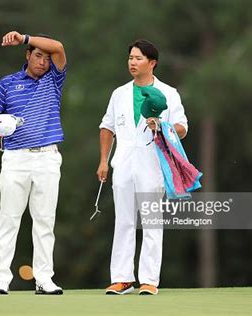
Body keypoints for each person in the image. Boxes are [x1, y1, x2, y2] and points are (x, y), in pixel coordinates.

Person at [97, 39, 188, 295]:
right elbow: (107, 126)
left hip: (152, 163)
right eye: (130, 59)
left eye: (138, 59)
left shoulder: (168, 93)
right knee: (123, 221)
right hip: (123, 163)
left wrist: (162, 126)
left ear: (152, 63)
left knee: (151, 221)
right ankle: (122, 278)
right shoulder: (119, 93)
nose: (132, 63)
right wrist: (104, 160)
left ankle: (149, 280)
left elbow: (182, 127)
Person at [0, 30, 67, 295]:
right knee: (9, 220)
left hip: (47, 157)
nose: (44, 62)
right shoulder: (7, 83)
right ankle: (0, 280)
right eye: (38, 56)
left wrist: (24, 38)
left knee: (45, 221)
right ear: (28, 57)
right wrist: (0, 124)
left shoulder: (54, 79)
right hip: (15, 158)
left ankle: (44, 279)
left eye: (47, 58)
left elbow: (58, 46)